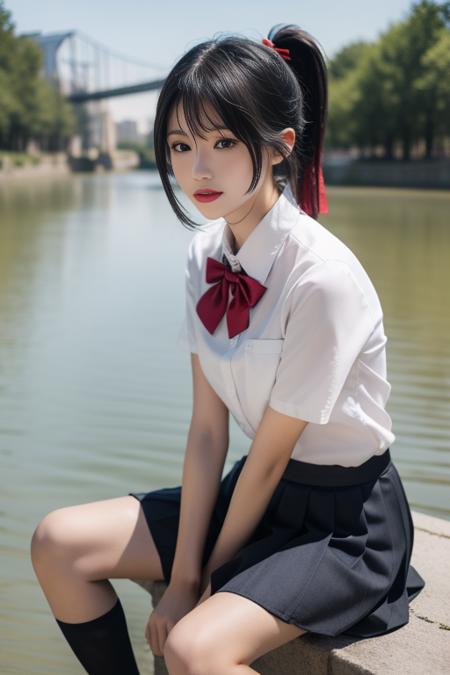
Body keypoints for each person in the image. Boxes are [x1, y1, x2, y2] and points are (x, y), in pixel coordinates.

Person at [30, 24, 426, 675]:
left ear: (278, 148)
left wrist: (198, 580)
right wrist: (185, 571)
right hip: (252, 493)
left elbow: (271, 454)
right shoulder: (203, 254)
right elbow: (208, 432)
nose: (197, 169)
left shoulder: (321, 277)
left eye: (222, 142)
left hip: (343, 522)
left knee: (194, 646)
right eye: (181, 145)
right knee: (57, 543)